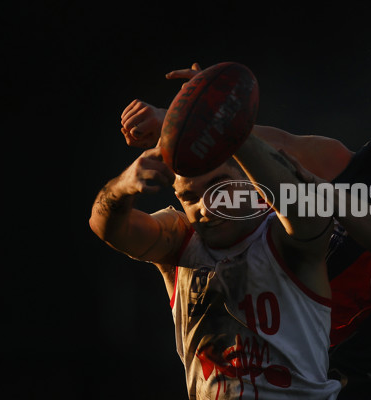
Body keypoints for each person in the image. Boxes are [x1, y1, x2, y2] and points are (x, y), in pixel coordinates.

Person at [121, 41, 371, 399]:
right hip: (300, 380)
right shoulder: (334, 160)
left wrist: (325, 194)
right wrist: (177, 121)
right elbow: (249, 140)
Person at [89, 129, 343, 398]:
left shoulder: (288, 235)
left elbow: (306, 211)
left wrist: (231, 128)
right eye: (190, 197)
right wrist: (122, 186)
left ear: (251, 181)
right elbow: (106, 228)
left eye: (219, 187)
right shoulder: (180, 241)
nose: (207, 206)